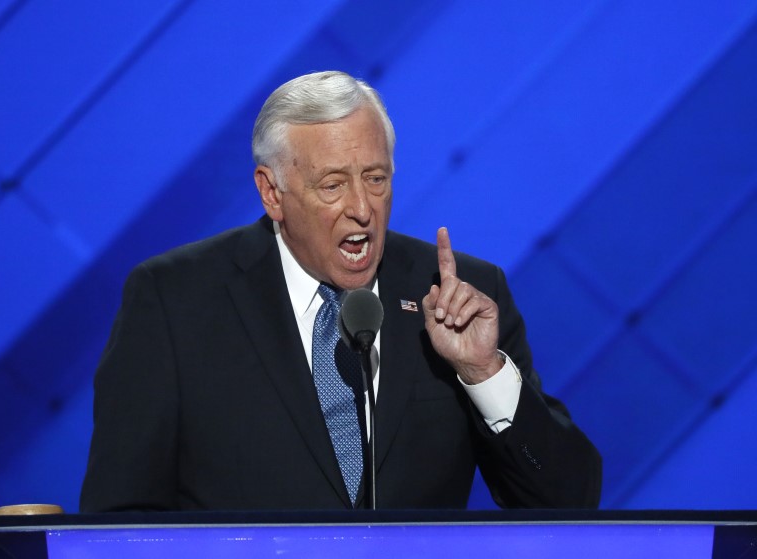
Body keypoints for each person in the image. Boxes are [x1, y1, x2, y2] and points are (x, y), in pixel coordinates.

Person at [80, 70, 601, 512]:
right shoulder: (174, 300)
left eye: (376, 178)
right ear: (271, 192)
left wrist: (482, 373)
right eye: (332, 185)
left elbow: (568, 502)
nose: (361, 208)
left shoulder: (458, 293)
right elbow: (119, 520)